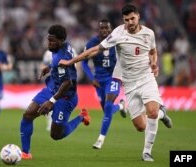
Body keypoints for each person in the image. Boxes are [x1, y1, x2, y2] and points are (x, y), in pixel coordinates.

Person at [59, 4, 172, 162]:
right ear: (123, 20)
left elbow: (153, 52)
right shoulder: (118, 33)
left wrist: (154, 63)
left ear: (138, 16)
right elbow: (94, 50)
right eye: (127, 20)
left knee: (151, 111)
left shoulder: (149, 33)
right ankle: (162, 114)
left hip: (147, 79)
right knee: (140, 126)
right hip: (130, 84)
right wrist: (72, 61)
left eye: (132, 18)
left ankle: (147, 152)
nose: (130, 22)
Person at [20, 24, 91, 160]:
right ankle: (25, 153)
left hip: (66, 97)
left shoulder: (61, 58)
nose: (49, 43)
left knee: (56, 135)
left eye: (52, 41)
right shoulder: (64, 46)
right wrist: (49, 67)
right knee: (28, 114)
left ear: (61, 40)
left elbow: (67, 82)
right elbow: (57, 63)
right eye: (48, 40)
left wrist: (51, 101)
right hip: (52, 88)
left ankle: (82, 116)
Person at [81, 19, 127, 149]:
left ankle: (100, 139)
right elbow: (84, 62)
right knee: (107, 110)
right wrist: (91, 78)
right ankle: (121, 106)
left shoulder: (117, 41)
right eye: (102, 28)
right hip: (99, 81)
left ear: (111, 30)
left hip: (113, 78)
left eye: (107, 28)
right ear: (98, 30)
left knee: (107, 107)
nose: (105, 31)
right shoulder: (92, 43)